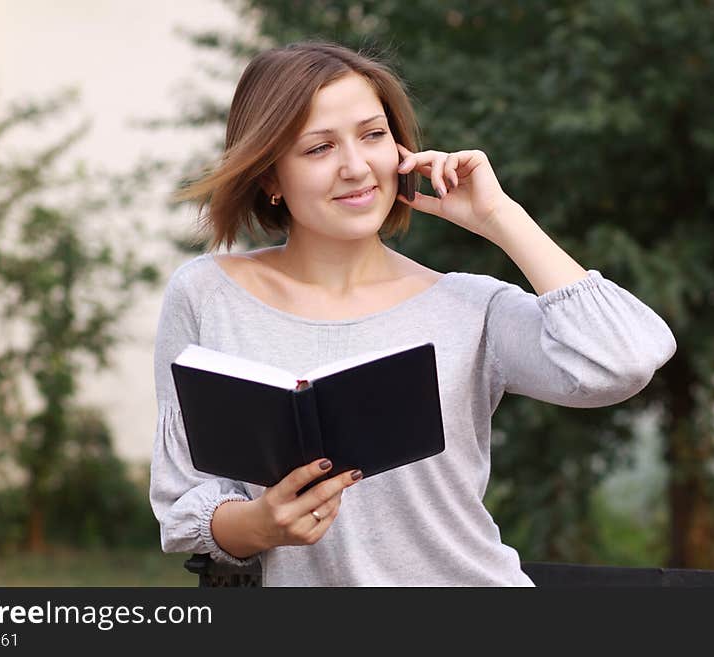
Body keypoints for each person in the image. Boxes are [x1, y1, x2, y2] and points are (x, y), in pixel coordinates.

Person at [150, 40, 677, 586]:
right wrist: (261, 526)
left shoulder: (470, 306)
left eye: (373, 135)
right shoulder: (206, 294)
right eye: (318, 148)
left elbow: (624, 361)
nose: (356, 168)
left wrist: (501, 217)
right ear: (270, 178)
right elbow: (183, 503)